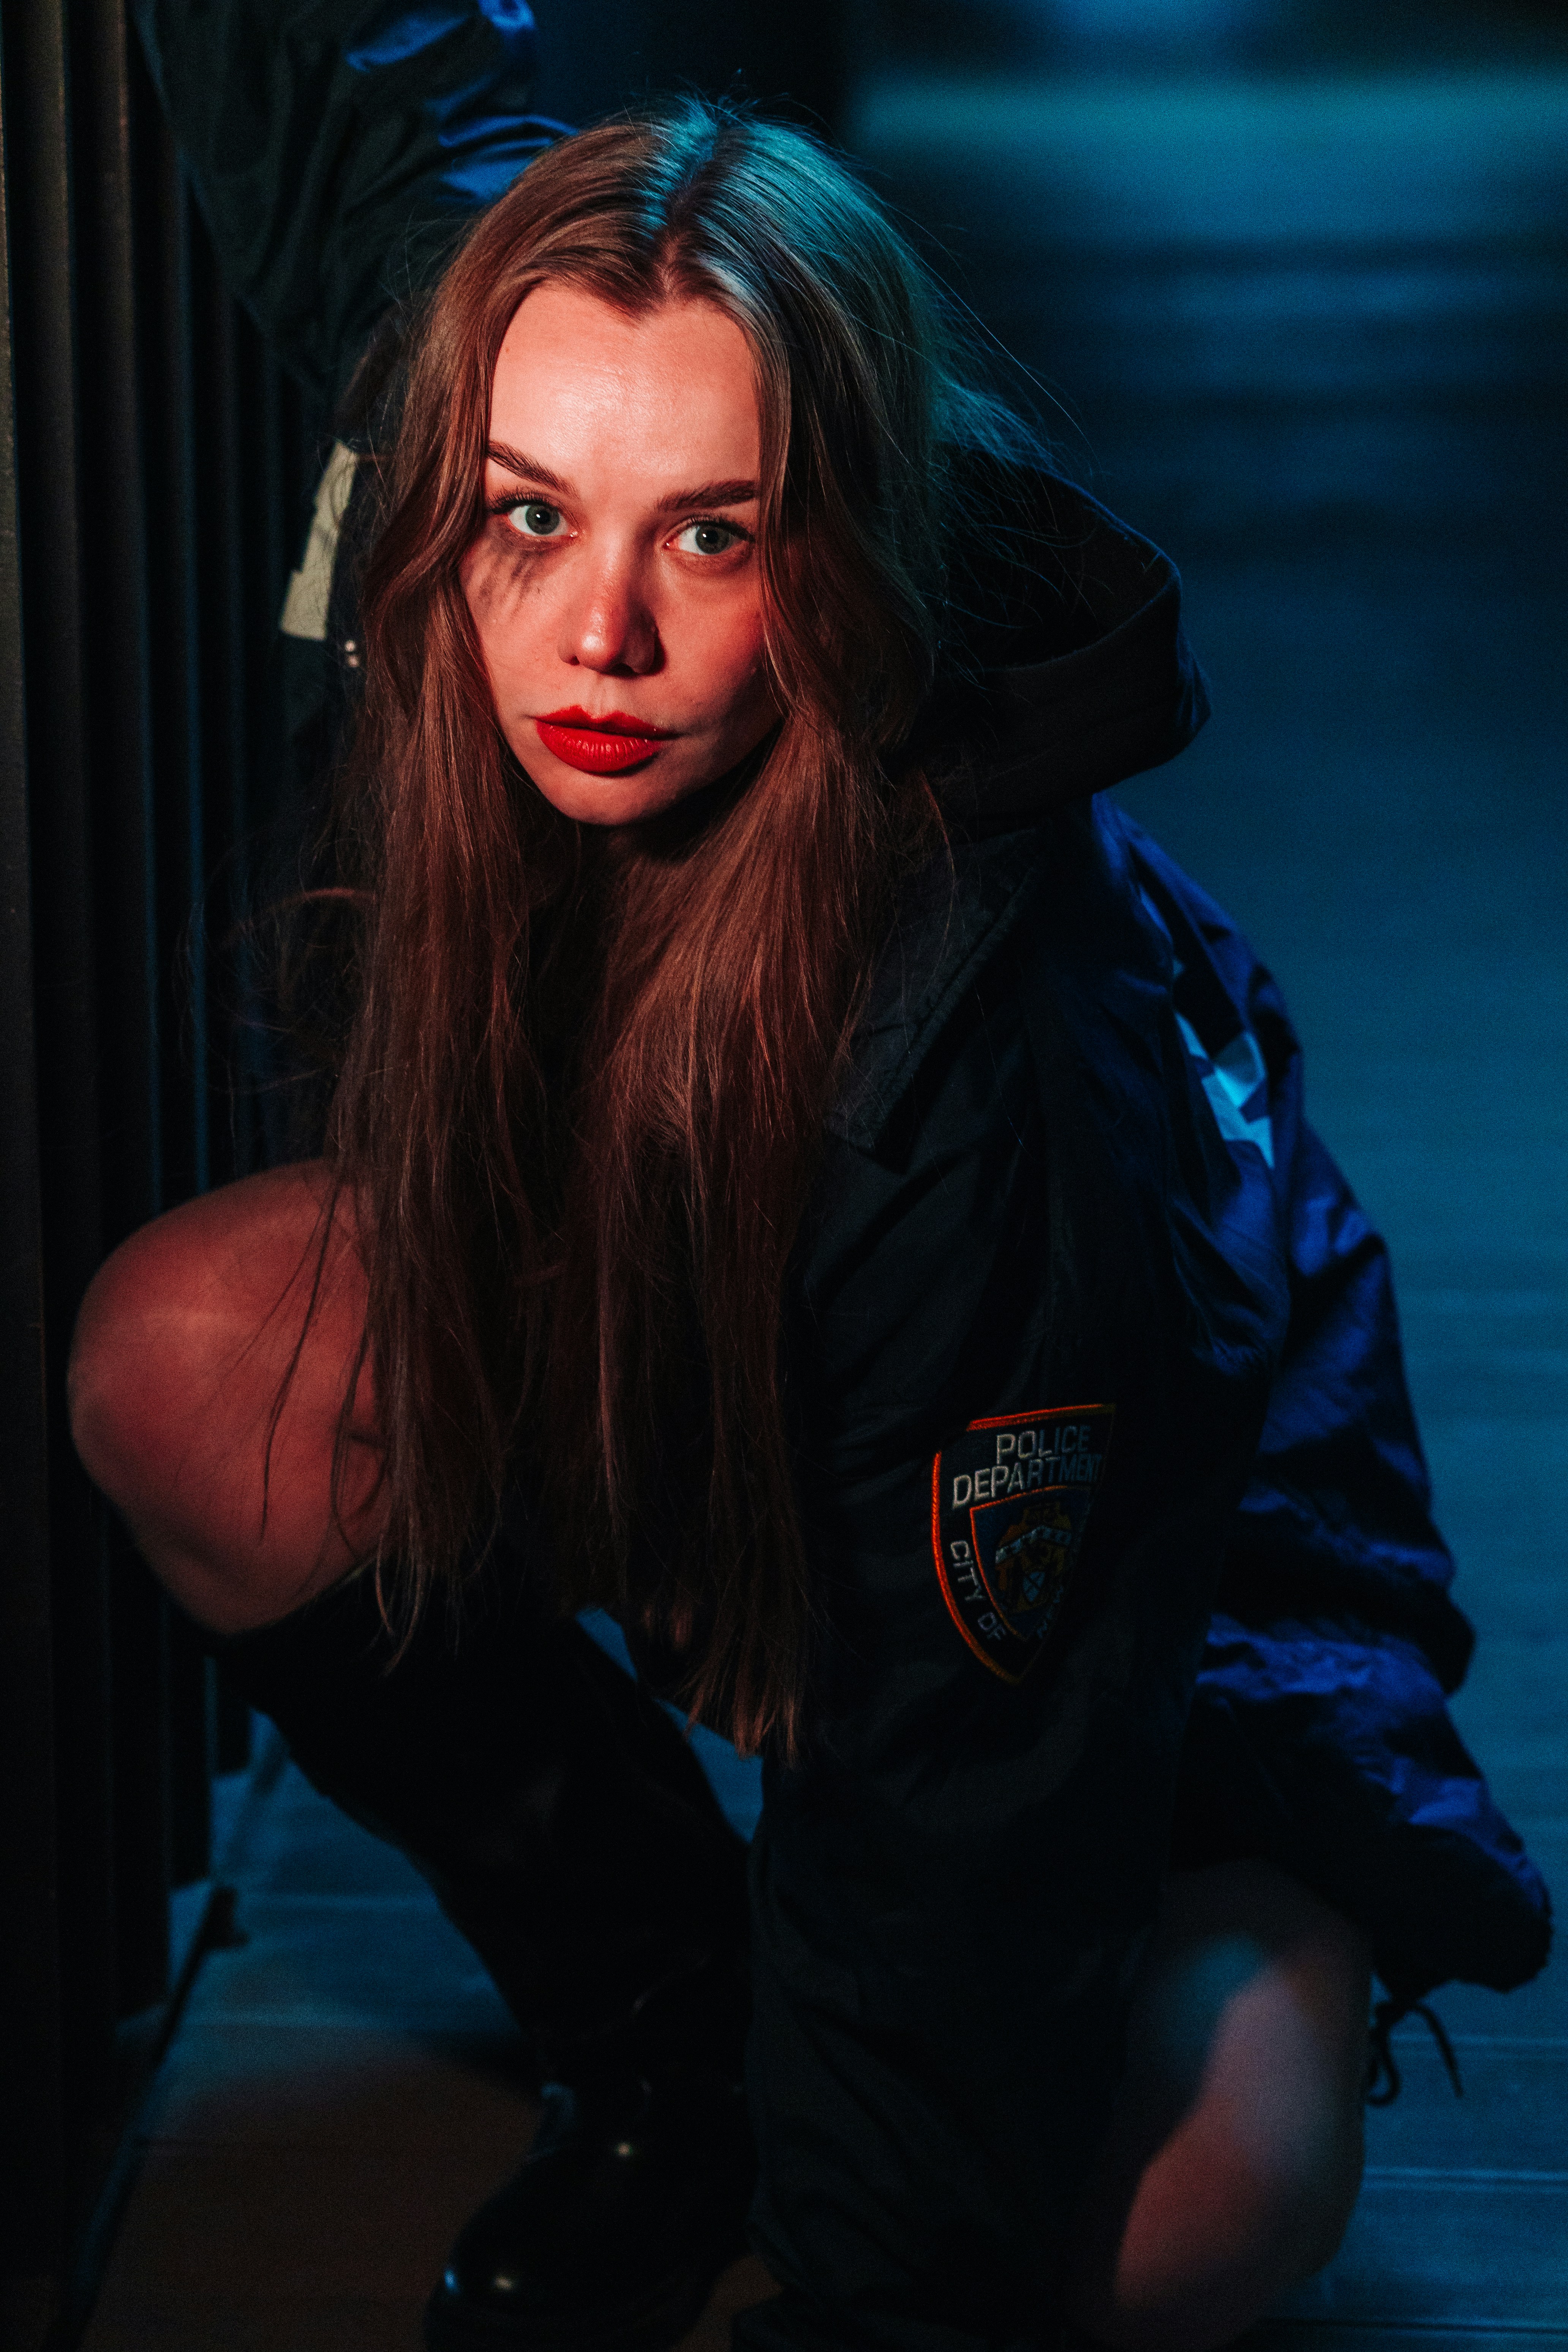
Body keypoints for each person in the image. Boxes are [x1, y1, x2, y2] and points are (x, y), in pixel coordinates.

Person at [69, 17, 1549, 2352]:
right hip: (708, 1341)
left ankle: (1223, 1959)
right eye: (532, 513)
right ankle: (677, 2054)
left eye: (716, 538)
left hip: (1142, 1603)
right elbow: (367, 96)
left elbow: (972, 1825)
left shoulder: (994, 1071)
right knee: (192, 1358)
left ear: (840, 546)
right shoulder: (508, 381)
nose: (597, 634)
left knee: (1173, 2227)